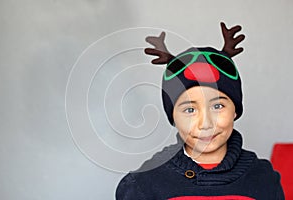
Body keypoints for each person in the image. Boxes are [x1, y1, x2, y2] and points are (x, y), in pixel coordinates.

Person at [115, 22, 284, 200]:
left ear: (235, 109)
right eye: (189, 109)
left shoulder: (264, 179)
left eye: (217, 106)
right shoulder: (143, 185)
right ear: (173, 116)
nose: (206, 123)